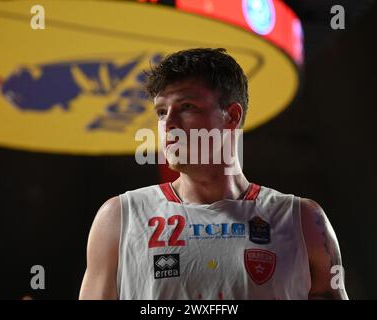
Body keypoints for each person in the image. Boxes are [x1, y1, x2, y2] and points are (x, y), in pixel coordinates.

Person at [79, 48, 348, 300]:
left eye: (187, 107)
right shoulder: (119, 217)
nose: (169, 123)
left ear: (231, 116)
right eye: (161, 112)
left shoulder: (303, 220)